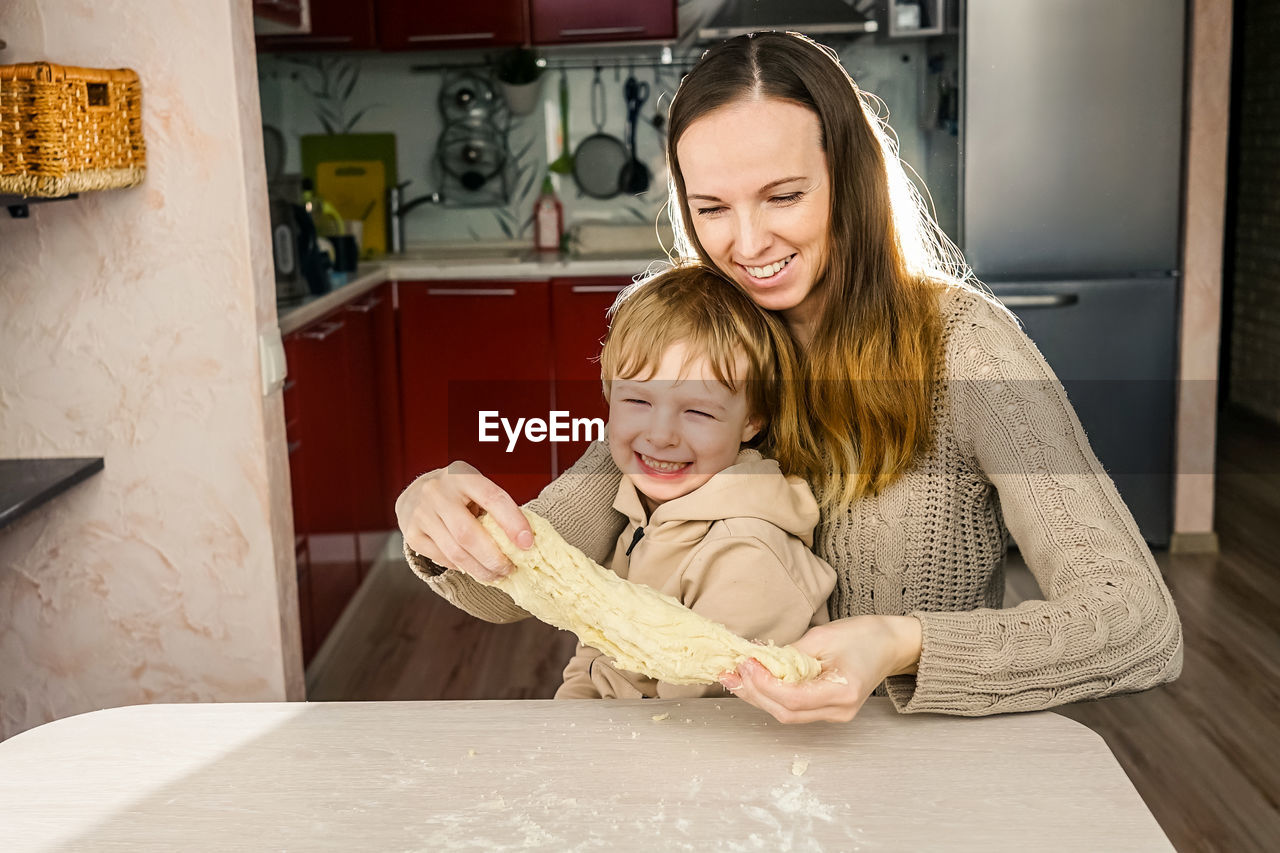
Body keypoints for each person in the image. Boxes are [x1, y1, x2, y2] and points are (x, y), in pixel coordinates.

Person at [397, 31, 1182, 722]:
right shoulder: (703, 344)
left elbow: (1137, 622)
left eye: (784, 196)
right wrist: (439, 517)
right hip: (717, 775)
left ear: (851, 178)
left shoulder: (966, 349)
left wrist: (902, 643)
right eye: (710, 208)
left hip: (914, 777)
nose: (745, 243)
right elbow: (507, 585)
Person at [544, 265, 836, 699]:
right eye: (638, 400)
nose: (661, 436)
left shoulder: (746, 555)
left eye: (697, 412)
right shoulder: (643, 510)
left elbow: (696, 724)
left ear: (751, 420)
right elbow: (594, 652)